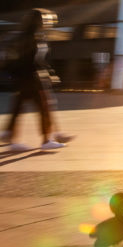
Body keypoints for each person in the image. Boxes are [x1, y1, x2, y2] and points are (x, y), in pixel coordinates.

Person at [0, 9, 68, 151]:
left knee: (19, 107)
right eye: (46, 19)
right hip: (32, 79)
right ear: (39, 21)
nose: (48, 22)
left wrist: (47, 72)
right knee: (44, 107)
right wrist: (44, 75)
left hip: (25, 78)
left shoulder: (26, 36)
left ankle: (10, 136)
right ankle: (46, 140)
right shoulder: (33, 37)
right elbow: (32, 61)